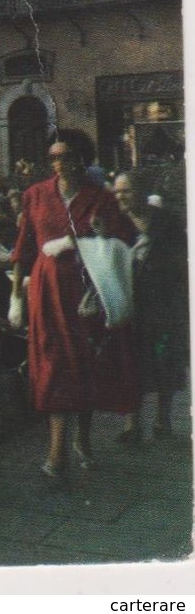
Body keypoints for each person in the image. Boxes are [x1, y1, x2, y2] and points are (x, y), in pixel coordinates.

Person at [12, 137, 138, 476]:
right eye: (53, 156)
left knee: (83, 365)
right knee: (54, 364)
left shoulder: (101, 198)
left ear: (82, 158)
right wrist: (15, 297)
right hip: (47, 291)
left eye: (65, 156)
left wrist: (98, 236)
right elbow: (23, 249)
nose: (59, 163)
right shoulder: (35, 195)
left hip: (86, 292)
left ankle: (82, 437)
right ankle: (57, 455)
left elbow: (125, 240)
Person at [113, 173, 189, 445]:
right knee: (132, 361)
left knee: (164, 358)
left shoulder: (167, 220)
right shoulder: (116, 222)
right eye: (117, 192)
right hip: (129, 303)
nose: (120, 196)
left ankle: (163, 419)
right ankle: (132, 423)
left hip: (163, 304)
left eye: (126, 191)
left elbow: (182, 260)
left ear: (143, 191)